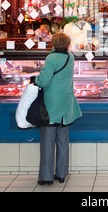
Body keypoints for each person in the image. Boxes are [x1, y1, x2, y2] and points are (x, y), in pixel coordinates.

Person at [33, 32, 83, 186]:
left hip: (51, 104)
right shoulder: (71, 57)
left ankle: (46, 177)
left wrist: (35, 79)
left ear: (53, 44)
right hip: (66, 103)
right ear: (67, 44)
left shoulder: (51, 58)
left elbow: (44, 80)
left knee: (48, 140)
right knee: (63, 139)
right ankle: (61, 174)